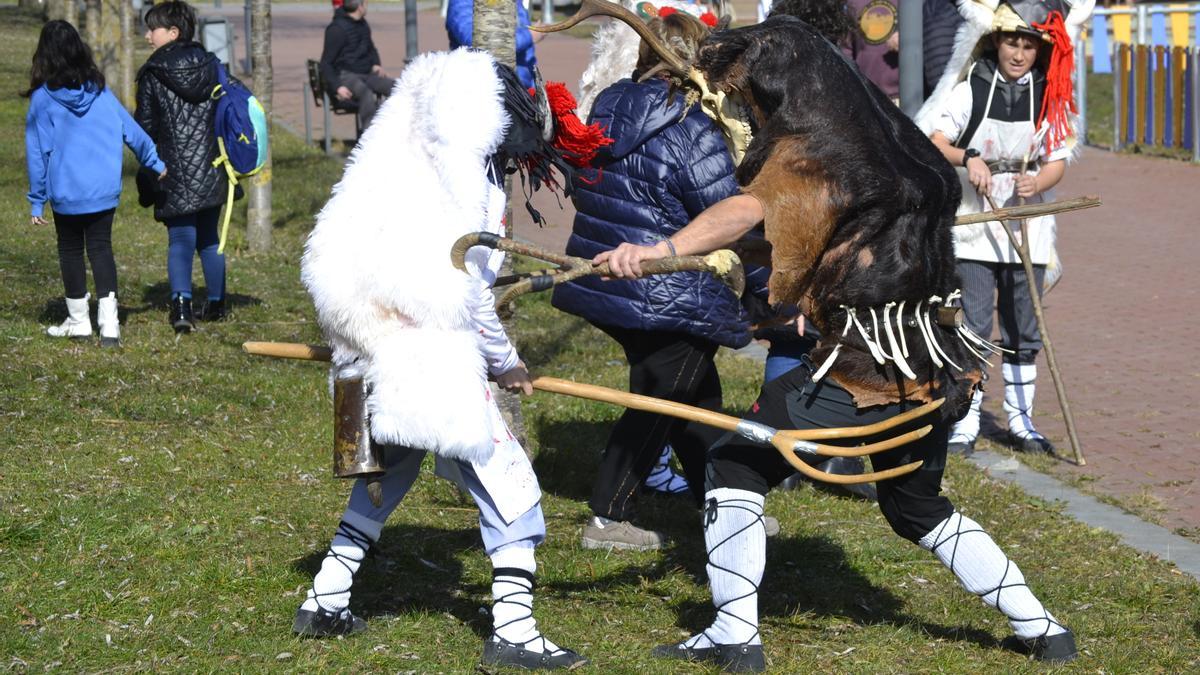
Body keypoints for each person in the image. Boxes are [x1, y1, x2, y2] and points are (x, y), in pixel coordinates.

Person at [584, 14, 1078, 670]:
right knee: (916, 506)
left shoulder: (815, 146)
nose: (743, 106)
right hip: (935, 365)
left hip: (865, 371)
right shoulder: (895, 140)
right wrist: (733, 255)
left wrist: (660, 250)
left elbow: (749, 208)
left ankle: (734, 635)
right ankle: (1044, 627)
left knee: (734, 464)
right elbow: (829, 235)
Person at [297, 48, 585, 670]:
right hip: (428, 365)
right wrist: (506, 362)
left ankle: (325, 598)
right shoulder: (465, 187)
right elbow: (467, 296)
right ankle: (514, 633)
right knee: (513, 491)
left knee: (390, 471)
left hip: (364, 355)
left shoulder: (389, 162)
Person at [551, 12, 759, 552]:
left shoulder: (609, 105)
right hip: (665, 286)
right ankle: (609, 517)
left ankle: (726, 507)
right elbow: (728, 214)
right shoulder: (694, 128)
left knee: (696, 397)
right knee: (661, 398)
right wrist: (764, 292)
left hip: (605, 275)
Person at [918, 0, 1090, 456]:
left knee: (1023, 326)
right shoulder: (970, 89)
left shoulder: (1048, 95)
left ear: (1040, 50)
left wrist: (1040, 182)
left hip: (1026, 227)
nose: (1019, 54)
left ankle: (1020, 420)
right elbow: (937, 141)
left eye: (1028, 46)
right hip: (975, 229)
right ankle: (966, 419)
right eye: (1012, 43)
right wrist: (969, 159)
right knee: (973, 323)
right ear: (995, 41)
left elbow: (1057, 159)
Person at [24, 20, 165, 347]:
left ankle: (79, 321)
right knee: (101, 248)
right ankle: (110, 326)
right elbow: (131, 130)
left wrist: (37, 200)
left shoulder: (42, 100)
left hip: (67, 190)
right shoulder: (99, 91)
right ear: (79, 50)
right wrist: (155, 162)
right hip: (103, 189)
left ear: (44, 55)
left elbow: (38, 154)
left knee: (70, 250)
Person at [135, 0, 231, 333]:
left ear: (173, 32)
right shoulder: (212, 65)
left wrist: (148, 167)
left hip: (171, 168)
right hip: (212, 165)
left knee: (180, 239)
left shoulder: (152, 73)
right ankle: (217, 304)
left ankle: (181, 308)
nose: (148, 36)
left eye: (153, 29)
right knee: (209, 238)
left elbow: (145, 128)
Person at [319, 0, 394, 131]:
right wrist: (337, 87)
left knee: (396, 87)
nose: (367, 5)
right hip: (345, 76)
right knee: (365, 92)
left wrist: (376, 64)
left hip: (367, 73)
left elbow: (371, 48)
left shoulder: (363, 24)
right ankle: (369, 136)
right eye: (366, 3)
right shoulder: (336, 29)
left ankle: (394, 130)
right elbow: (326, 63)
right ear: (360, 7)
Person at [445, 0, 542, 89]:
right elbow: (475, 40)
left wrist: (533, 88)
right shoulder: (462, 2)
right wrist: (529, 36)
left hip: (519, 88)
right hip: (479, 87)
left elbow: (527, 58)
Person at [844, 0, 900, 101]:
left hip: (904, 96)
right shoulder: (853, 3)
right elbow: (846, 49)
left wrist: (909, 41)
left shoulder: (915, 3)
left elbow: (929, 38)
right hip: (867, 95)